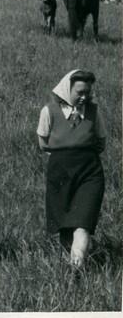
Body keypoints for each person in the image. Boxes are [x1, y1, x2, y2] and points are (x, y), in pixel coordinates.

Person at [36, 69, 106, 268]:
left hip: (89, 172)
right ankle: (67, 269)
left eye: (87, 92)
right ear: (67, 90)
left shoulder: (94, 111)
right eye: (79, 92)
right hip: (60, 172)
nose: (84, 97)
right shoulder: (49, 111)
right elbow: (43, 142)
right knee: (65, 224)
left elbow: (101, 141)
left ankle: (76, 267)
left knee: (84, 220)